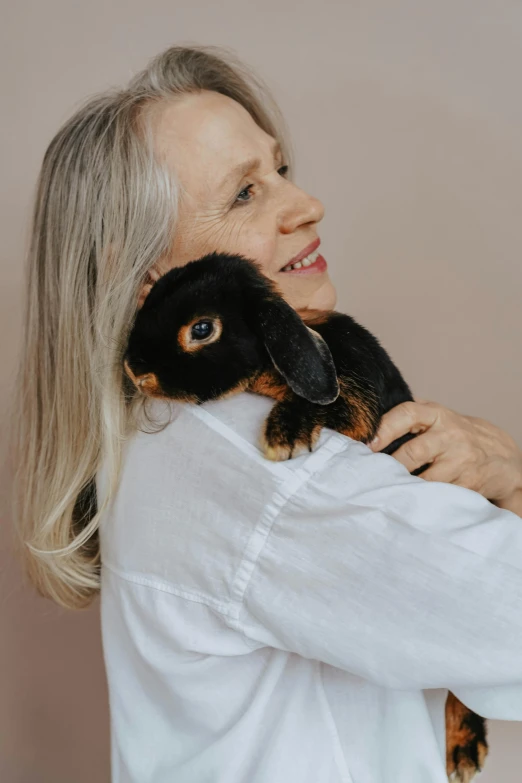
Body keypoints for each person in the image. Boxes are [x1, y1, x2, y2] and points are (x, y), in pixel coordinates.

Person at [10, 45, 522, 783]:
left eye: (280, 169)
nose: (305, 204)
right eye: (244, 193)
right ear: (147, 268)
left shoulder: (162, 433)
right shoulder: (259, 466)